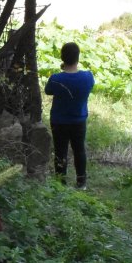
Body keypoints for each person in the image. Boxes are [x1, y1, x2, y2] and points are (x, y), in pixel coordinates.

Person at [44, 42, 95, 189]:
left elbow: (48, 91)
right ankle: (81, 182)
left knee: (60, 152)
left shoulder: (56, 79)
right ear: (78, 58)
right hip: (79, 120)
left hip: (59, 121)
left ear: (62, 58)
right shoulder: (87, 77)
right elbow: (90, 86)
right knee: (79, 150)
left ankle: (60, 183)